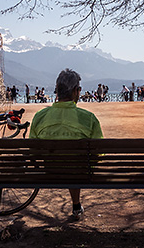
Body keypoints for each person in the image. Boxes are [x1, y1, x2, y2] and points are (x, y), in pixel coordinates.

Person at [29, 68, 103, 219]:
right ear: (76, 91)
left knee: (68, 162)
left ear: (57, 91)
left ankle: (76, 205)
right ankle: (76, 205)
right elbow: (99, 151)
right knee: (75, 164)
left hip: (50, 172)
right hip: (80, 173)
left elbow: (33, 150)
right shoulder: (88, 118)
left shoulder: (39, 117)